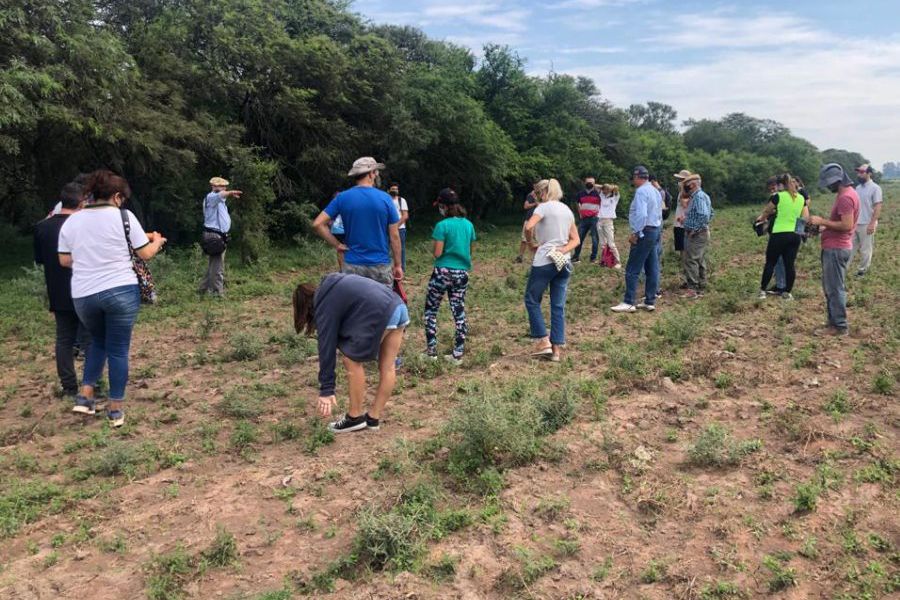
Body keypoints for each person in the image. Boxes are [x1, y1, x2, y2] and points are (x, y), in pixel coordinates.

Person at [57, 170, 167, 427]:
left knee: (98, 341)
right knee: (118, 349)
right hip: (120, 290)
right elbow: (145, 253)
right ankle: (115, 409)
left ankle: (85, 396)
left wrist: (90, 256)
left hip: (83, 294)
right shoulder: (124, 217)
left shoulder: (72, 221)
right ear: (117, 196)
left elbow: (64, 260)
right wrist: (158, 241)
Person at [294, 273, 408, 433]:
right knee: (388, 367)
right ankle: (373, 418)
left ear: (305, 306)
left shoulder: (323, 303)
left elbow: (326, 346)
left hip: (383, 313)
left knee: (351, 361)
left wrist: (327, 390)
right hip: (399, 306)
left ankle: (354, 418)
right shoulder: (335, 285)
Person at [34, 182, 91, 399]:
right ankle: (91, 385)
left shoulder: (42, 227)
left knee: (64, 340)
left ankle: (69, 387)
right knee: (90, 340)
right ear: (80, 202)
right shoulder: (84, 225)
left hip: (57, 291)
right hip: (86, 289)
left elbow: (39, 259)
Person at [312, 157, 402, 286]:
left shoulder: (342, 198)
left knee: (354, 305)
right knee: (381, 305)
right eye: (376, 172)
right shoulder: (386, 199)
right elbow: (394, 236)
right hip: (380, 265)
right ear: (371, 174)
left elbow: (317, 224)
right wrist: (398, 265)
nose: (377, 175)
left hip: (352, 265)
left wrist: (337, 245)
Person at [523, 179, 579, 362]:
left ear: (543, 193)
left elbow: (529, 226)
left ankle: (543, 340)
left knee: (531, 299)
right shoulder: (567, 210)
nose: (538, 198)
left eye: (538, 194)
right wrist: (563, 250)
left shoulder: (543, 208)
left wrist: (532, 243)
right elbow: (575, 240)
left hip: (545, 261)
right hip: (564, 262)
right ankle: (556, 351)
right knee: (557, 305)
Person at [424, 189, 476, 363]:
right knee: (458, 311)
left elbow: (437, 253)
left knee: (431, 311)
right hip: (461, 273)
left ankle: (431, 352)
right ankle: (458, 354)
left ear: (444, 206)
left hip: (442, 273)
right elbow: (470, 251)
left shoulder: (442, 226)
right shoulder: (469, 225)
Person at [809, 164, 860, 336]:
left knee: (835, 288)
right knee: (832, 287)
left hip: (836, 249)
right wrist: (824, 229)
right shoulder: (847, 194)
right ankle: (834, 323)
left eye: (829, 183)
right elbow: (841, 224)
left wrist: (822, 221)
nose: (828, 187)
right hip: (837, 246)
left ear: (838, 180)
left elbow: (846, 225)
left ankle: (839, 326)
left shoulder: (845, 197)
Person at [611, 166, 663, 313]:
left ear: (638, 177)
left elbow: (641, 215)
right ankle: (649, 300)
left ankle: (628, 302)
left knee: (632, 268)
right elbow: (659, 212)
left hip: (644, 231)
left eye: (634, 178)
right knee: (652, 267)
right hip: (655, 230)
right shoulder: (655, 191)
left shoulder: (641, 192)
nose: (633, 181)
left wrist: (636, 233)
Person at [754, 173, 809, 301]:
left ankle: (762, 290)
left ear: (780, 185)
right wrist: (800, 230)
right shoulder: (800, 198)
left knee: (770, 262)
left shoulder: (778, 196)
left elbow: (767, 211)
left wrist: (760, 219)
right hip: (794, 235)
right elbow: (805, 217)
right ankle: (787, 293)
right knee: (789, 264)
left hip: (779, 233)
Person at [199, 177, 242, 296]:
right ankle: (217, 293)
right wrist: (229, 193)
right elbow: (220, 195)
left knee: (213, 265)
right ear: (213, 186)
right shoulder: (212, 197)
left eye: (224, 186)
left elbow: (222, 196)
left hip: (218, 236)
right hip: (214, 236)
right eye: (219, 186)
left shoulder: (220, 201)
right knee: (218, 267)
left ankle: (203, 289)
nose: (222, 188)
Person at [677, 173, 713, 298]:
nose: (685, 186)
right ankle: (701, 286)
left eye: (686, 184)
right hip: (701, 232)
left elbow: (704, 215)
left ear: (692, 184)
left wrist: (694, 229)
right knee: (699, 259)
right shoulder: (703, 196)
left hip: (697, 234)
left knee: (691, 260)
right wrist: (687, 219)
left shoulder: (697, 197)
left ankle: (692, 290)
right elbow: (711, 213)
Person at [850, 164, 883, 277]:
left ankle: (862, 271)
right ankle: (843, 269)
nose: (859, 174)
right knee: (849, 247)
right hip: (855, 223)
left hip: (867, 223)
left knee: (865, 249)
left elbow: (878, 206)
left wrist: (872, 223)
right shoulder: (857, 188)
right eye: (858, 172)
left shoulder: (875, 188)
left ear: (869, 173)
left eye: (862, 172)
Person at [572, 176, 601, 263]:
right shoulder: (581, 193)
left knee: (595, 239)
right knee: (578, 238)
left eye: (591, 182)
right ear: (585, 183)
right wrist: (580, 213)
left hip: (594, 218)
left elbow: (610, 188)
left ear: (594, 184)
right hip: (584, 219)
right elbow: (577, 203)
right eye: (588, 182)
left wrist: (596, 186)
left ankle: (593, 258)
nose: (589, 184)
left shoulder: (599, 193)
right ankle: (575, 257)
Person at [597, 183, 621, 269]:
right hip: (600, 221)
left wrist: (610, 188)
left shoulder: (615, 197)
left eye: (607, 190)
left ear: (610, 190)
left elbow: (617, 188)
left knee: (611, 243)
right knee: (603, 243)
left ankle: (618, 261)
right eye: (604, 190)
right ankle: (605, 261)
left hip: (608, 221)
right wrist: (603, 186)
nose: (605, 191)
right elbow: (595, 186)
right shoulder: (602, 196)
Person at [388, 182, 410, 271]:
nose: (394, 191)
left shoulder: (402, 200)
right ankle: (389, 269)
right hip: (387, 229)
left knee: (401, 249)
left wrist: (396, 226)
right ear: (388, 190)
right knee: (387, 249)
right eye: (393, 189)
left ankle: (401, 269)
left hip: (400, 229)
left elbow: (405, 215)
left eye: (396, 189)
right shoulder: (386, 200)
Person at [516, 183, 540, 263]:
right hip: (528, 219)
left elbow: (541, 206)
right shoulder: (530, 195)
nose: (535, 187)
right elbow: (525, 206)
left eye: (537, 185)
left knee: (536, 239)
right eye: (534, 185)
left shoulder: (543, 195)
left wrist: (536, 200)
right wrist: (534, 203)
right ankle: (520, 257)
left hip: (537, 220)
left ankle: (536, 258)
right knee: (524, 238)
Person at [672, 170, 693, 257]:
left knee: (684, 246)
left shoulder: (689, 192)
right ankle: (683, 263)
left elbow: (685, 205)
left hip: (683, 224)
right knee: (680, 246)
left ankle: (685, 265)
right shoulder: (682, 192)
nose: (679, 182)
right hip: (678, 223)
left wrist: (681, 190)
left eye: (681, 179)